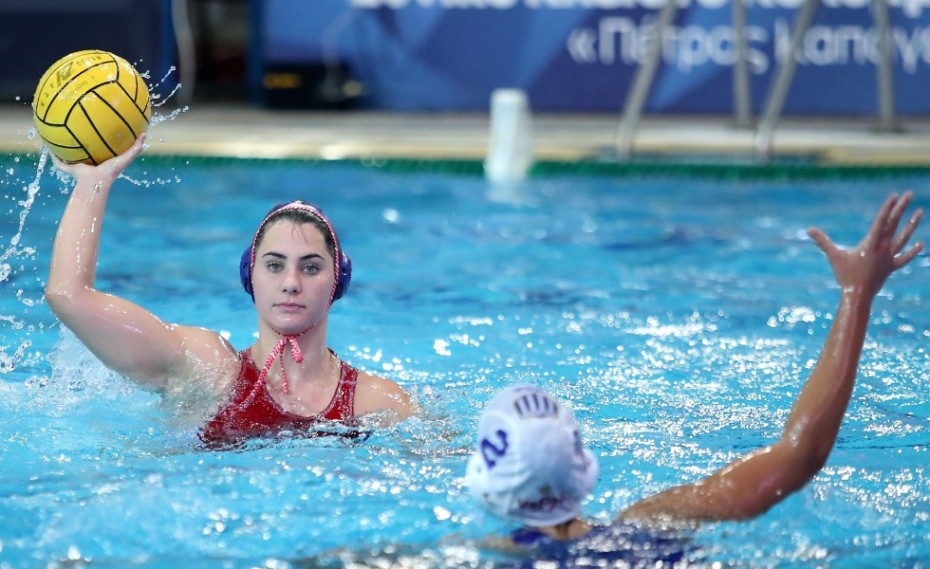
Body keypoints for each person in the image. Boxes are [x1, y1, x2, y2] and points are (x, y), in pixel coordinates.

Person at [466, 192, 923, 556]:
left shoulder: (479, 557)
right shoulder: (653, 525)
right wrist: (856, 293)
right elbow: (801, 454)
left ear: (489, 481)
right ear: (581, 466)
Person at [45, 136, 418, 448]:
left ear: (338, 280)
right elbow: (68, 296)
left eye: (310, 267)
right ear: (249, 276)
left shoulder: (377, 403)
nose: (291, 282)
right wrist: (93, 184)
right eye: (274, 265)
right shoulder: (207, 372)